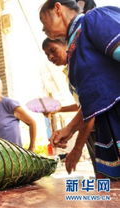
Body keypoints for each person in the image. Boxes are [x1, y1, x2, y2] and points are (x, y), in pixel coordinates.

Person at [39, 0, 120, 179]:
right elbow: (95, 100)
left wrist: (77, 148)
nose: (43, 29)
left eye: (44, 22)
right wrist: (69, 130)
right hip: (108, 128)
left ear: (58, 8)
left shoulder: (92, 19)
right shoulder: (74, 48)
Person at [42, 37, 96, 174]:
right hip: (91, 130)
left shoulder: (81, 65)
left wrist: (77, 148)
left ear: (67, 45)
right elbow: (82, 105)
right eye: (47, 55)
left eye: (53, 50)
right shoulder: (69, 71)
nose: (50, 57)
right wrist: (60, 110)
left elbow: (92, 106)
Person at [0, 74, 36, 151]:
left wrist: (32, 148)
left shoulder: (9, 104)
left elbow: (32, 123)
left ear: (1, 88)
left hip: (14, 154)